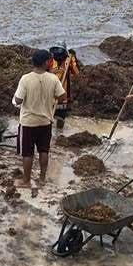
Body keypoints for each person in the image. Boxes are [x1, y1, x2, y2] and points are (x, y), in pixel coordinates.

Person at [12, 49, 65, 186]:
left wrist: (17, 100)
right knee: (43, 150)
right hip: (45, 121)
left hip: (28, 122)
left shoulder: (26, 79)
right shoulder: (53, 79)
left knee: (27, 153)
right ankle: (42, 179)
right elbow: (62, 97)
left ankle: (26, 180)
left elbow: (17, 100)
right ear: (46, 62)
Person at [50, 46, 82, 129]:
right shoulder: (50, 60)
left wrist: (74, 59)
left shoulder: (68, 60)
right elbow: (42, 72)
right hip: (49, 93)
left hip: (63, 93)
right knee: (47, 116)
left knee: (61, 117)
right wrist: (53, 71)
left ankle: (59, 133)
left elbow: (76, 72)